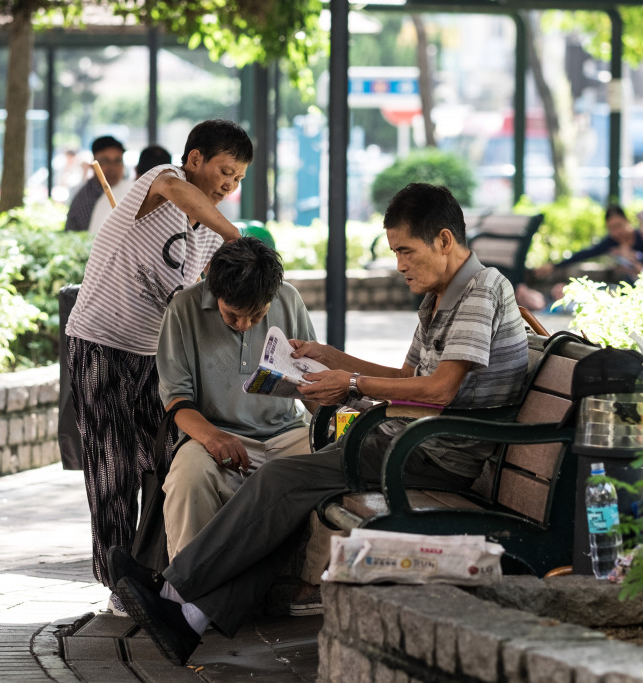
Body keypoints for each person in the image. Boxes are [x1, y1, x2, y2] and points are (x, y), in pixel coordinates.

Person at [110, 183, 529, 664]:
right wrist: (335, 360)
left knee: (281, 480)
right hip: (412, 443)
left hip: (435, 453)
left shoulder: (480, 291)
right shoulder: (439, 297)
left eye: (405, 251)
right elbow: (408, 378)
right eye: (395, 252)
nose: (399, 265)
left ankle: (174, 594)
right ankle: (190, 616)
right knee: (285, 500)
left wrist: (351, 383)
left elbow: (439, 390)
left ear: (444, 240)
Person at [65, 119, 253, 615]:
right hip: (100, 343)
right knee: (111, 468)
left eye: (237, 180)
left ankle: (154, 570)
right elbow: (177, 191)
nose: (228, 186)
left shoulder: (209, 238)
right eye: (224, 172)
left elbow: (212, 305)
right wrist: (237, 235)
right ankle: (116, 583)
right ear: (194, 160)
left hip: (154, 356)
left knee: (170, 457)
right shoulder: (161, 184)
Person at [156, 236, 318, 560]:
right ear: (216, 292)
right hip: (213, 435)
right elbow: (177, 400)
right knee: (187, 478)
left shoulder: (289, 300)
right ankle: (189, 594)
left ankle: (310, 585)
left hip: (288, 434)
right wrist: (213, 437)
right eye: (232, 315)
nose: (244, 325)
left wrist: (335, 424)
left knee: (342, 464)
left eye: (257, 315)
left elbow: (310, 380)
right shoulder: (183, 310)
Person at [535, 204, 643, 302]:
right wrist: (555, 266)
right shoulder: (612, 242)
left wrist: (634, 261)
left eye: (619, 226)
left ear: (627, 221)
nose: (617, 232)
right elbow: (585, 254)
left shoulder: (640, 236)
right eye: (612, 228)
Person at [64, 135, 132, 235]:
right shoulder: (86, 199)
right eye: (105, 161)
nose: (112, 168)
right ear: (93, 165)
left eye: (117, 161)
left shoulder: (129, 189)